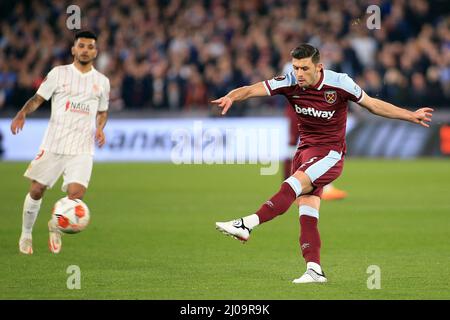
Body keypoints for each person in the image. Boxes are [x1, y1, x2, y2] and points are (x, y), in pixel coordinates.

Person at [212, 44, 433, 284]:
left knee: (291, 185)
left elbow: (373, 104)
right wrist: (231, 96)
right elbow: (252, 89)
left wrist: (410, 115)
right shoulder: (289, 82)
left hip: (330, 155)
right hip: (305, 152)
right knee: (307, 213)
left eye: (304, 68)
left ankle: (247, 224)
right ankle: (314, 270)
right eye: (296, 67)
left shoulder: (340, 83)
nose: (299, 73)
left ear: (319, 67)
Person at [10, 30, 110, 255]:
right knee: (36, 190)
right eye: (81, 46)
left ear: (96, 51)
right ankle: (26, 234)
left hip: (82, 147)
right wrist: (22, 113)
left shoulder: (102, 82)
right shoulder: (58, 73)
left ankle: (56, 224)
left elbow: (103, 111)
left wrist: (100, 128)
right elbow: (38, 98)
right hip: (54, 143)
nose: (85, 50)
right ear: (73, 50)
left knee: (76, 195)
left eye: (90, 46)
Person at [284, 102, 348, 201]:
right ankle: (289, 185)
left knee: (315, 147)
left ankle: (324, 187)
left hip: (311, 109)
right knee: (293, 146)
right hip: (299, 108)